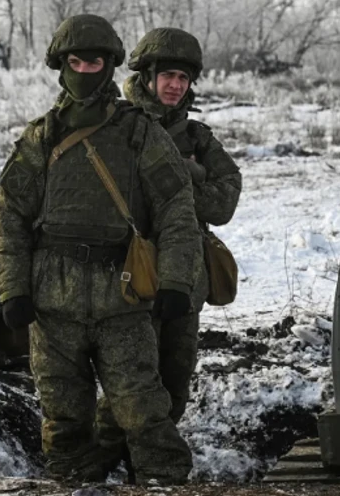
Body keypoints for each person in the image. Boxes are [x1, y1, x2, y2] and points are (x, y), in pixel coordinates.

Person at [0, 15, 200, 486]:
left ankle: (163, 482)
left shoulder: (140, 133)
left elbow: (176, 210)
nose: (86, 70)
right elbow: (10, 217)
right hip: (52, 302)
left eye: (96, 61)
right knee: (63, 420)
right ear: (61, 66)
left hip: (123, 299)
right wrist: (13, 291)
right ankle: (71, 482)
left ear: (110, 66)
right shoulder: (40, 137)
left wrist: (174, 281)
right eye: (76, 61)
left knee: (145, 414)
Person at [95, 27, 242, 480]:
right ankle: (93, 470)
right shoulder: (115, 125)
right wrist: (186, 181)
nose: (175, 85)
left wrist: (180, 183)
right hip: (129, 274)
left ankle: (143, 476)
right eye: (167, 75)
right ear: (148, 75)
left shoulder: (197, 137)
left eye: (183, 77)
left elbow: (225, 201)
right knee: (131, 387)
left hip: (186, 277)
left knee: (174, 385)